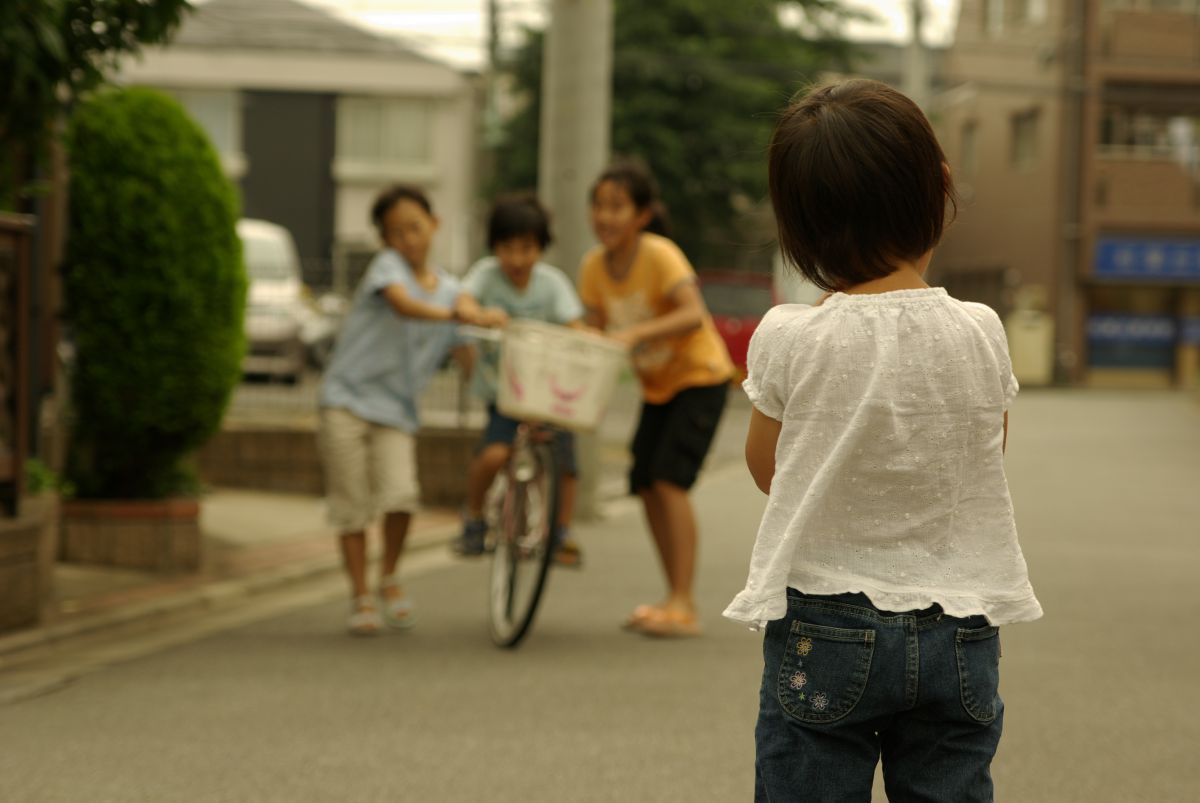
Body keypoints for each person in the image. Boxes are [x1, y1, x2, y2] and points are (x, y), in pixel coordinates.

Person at [725, 79, 1043, 801]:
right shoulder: (981, 329)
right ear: (941, 188)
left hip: (826, 615)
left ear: (797, 223)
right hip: (960, 622)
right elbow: (985, 446)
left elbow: (766, 468)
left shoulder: (789, 336)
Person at [318, 184, 502, 636]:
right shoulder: (387, 269)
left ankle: (389, 578)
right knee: (352, 507)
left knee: (401, 496)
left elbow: (467, 358)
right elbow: (403, 306)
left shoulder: (454, 291)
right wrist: (460, 317)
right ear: (385, 240)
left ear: (434, 225)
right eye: (396, 232)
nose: (408, 239)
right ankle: (361, 596)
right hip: (345, 400)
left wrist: (497, 392)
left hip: (396, 411)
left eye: (415, 228)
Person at [577, 159, 735, 637]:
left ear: (642, 215)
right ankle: (672, 596)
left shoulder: (660, 254)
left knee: (668, 481)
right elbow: (594, 330)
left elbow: (693, 313)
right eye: (599, 205)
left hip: (699, 376)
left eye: (617, 207)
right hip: (657, 385)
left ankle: (685, 604)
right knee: (644, 482)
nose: (605, 216)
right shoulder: (592, 267)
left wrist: (635, 333)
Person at [453, 193, 587, 566]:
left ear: (540, 248)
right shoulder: (485, 275)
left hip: (548, 394)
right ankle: (474, 517)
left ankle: (561, 532)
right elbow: (463, 304)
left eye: (526, 248)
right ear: (494, 247)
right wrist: (480, 315)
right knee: (495, 453)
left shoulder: (552, 283)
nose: (516, 259)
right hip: (505, 393)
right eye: (506, 248)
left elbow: (575, 326)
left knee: (565, 461)